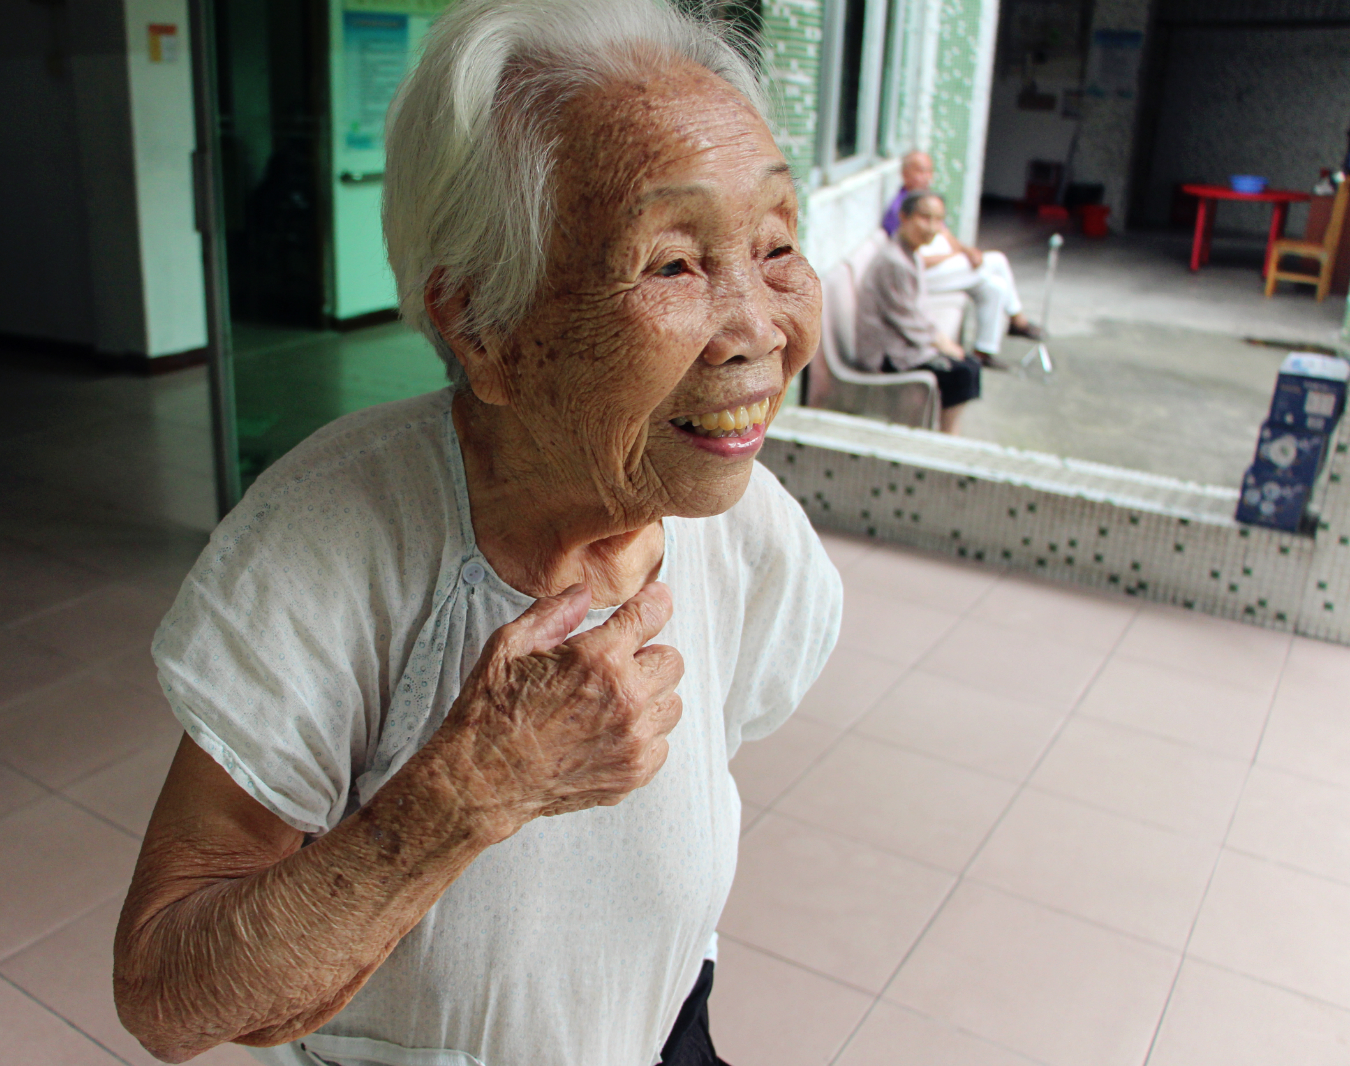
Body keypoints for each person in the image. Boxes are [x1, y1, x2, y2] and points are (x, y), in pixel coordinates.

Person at [111, 2, 843, 1065]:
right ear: (479, 324)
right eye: (673, 263)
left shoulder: (752, 529)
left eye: (777, 244)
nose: (762, 329)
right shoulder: (327, 537)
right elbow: (168, 999)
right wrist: (475, 785)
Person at [883, 151, 1041, 367]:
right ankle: (1017, 319)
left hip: (942, 269)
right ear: (905, 174)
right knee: (996, 261)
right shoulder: (901, 209)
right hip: (919, 275)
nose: (926, 177)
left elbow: (946, 236)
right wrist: (955, 256)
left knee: (995, 286)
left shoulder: (926, 202)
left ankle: (984, 352)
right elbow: (914, 259)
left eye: (929, 171)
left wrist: (967, 251)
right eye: (919, 171)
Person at [857, 190, 982, 435]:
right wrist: (943, 344)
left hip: (903, 343)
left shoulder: (910, 253)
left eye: (938, 220)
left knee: (970, 365)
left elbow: (914, 313)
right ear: (904, 217)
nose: (932, 227)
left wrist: (942, 343)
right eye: (925, 218)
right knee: (962, 373)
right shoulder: (894, 260)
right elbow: (907, 320)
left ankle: (947, 431)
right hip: (887, 355)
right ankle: (947, 436)